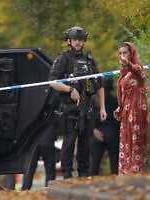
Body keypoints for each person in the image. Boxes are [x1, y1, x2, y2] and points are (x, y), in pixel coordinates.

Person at [49, 26, 107, 179]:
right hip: (70, 109)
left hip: (87, 109)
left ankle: (83, 175)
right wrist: (69, 90)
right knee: (68, 143)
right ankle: (67, 175)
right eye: (75, 40)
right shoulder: (64, 59)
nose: (78, 43)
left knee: (86, 144)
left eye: (80, 40)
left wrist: (102, 108)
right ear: (69, 41)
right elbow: (52, 82)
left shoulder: (89, 61)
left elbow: (99, 84)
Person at [114, 42, 148, 174]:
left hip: (137, 110)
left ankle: (137, 174)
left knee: (136, 141)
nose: (122, 56)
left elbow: (139, 73)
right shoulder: (123, 73)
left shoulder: (137, 69)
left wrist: (128, 63)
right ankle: (125, 173)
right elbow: (123, 93)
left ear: (131, 53)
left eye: (125, 53)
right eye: (120, 53)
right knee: (125, 141)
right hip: (126, 112)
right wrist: (119, 107)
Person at [89, 78, 120, 176]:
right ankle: (115, 180)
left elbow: (90, 117)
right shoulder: (115, 100)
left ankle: (92, 181)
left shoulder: (95, 101)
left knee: (95, 162)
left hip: (98, 131)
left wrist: (93, 130)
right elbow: (119, 118)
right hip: (113, 132)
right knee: (114, 161)